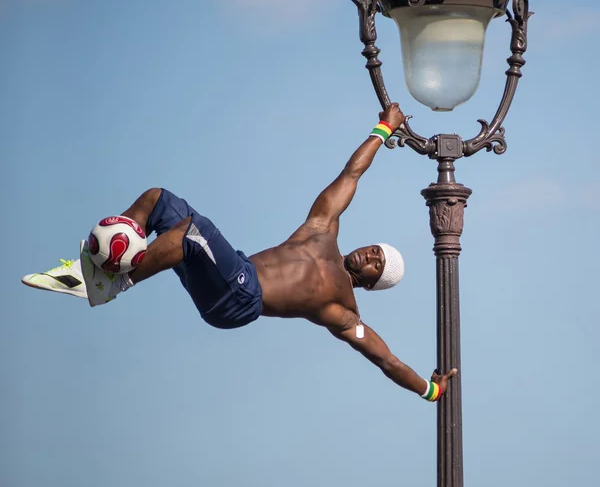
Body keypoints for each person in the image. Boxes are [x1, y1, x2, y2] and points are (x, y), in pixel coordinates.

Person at [22, 104, 457, 402]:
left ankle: (117, 279)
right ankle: (96, 265)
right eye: (375, 249)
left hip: (241, 300)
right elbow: (351, 174)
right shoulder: (322, 231)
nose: (369, 255)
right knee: (160, 201)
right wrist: (383, 129)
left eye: (377, 264)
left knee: (195, 231)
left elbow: (386, 360)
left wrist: (430, 390)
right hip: (233, 271)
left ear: (372, 281)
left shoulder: (343, 310)